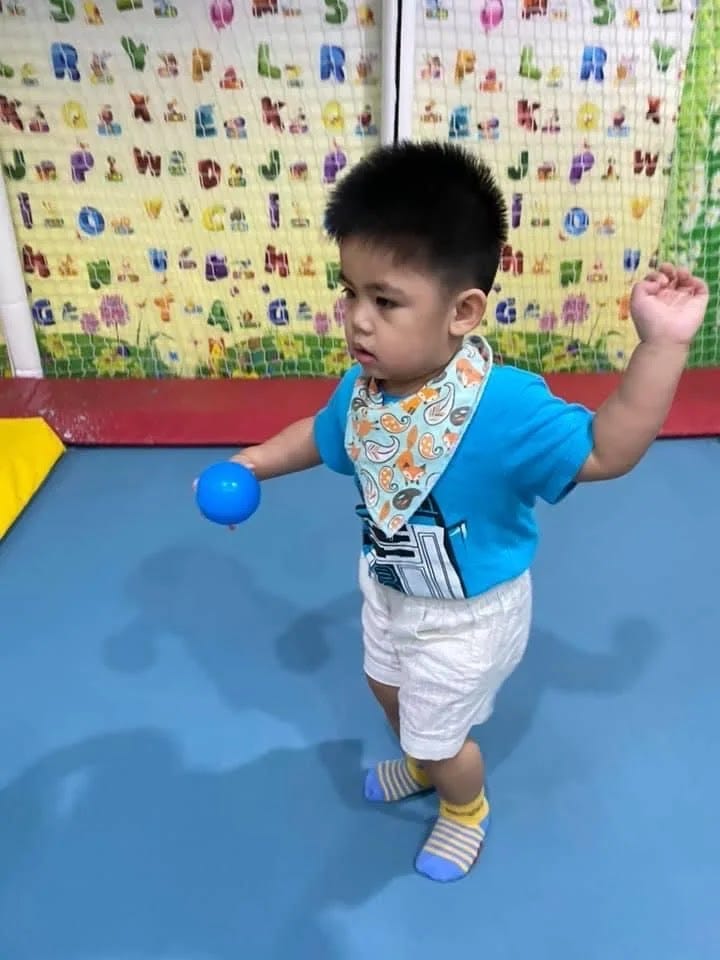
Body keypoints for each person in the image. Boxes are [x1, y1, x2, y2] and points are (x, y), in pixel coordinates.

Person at [222, 142, 708, 883]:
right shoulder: (365, 391)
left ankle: (462, 807)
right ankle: (420, 757)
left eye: (384, 301)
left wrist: (662, 347)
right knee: (385, 688)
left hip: (468, 616)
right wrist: (252, 461)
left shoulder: (501, 405)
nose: (357, 321)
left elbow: (607, 452)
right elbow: (321, 439)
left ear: (464, 311)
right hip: (386, 585)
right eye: (349, 292)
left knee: (447, 740)